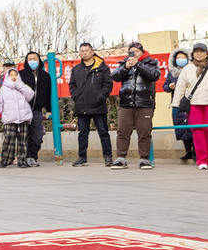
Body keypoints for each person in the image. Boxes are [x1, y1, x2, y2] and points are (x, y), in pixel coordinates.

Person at [171, 43, 208, 169]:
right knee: (197, 132)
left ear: (207, 53)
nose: (199, 54)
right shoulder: (187, 69)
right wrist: (176, 105)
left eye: (202, 51)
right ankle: (202, 160)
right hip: (194, 104)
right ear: (192, 54)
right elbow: (180, 87)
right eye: (196, 51)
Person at [110, 41, 161, 170]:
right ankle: (121, 158)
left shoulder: (151, 63)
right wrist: (126, 67)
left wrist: (138, 64)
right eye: (131, 51)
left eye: (137, 51)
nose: (134, 54)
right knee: (122, 130)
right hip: (126, 102)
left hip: (145, 103)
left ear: (142, 52)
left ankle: (144, 159)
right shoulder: (124, 63)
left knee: (144, 131)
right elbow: (115, 76)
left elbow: (154, 75)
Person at [68, 42, 114, 167]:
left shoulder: (102, 67)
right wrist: (76, 97)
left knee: (103, 132)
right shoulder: (76, 69)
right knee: (82, 133)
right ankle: (82, 157)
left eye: (86, 50)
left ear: (92, 52)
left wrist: (101, 96)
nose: (84, 53)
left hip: (98, 106)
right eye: (81, 51)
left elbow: (108, 84)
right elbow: (72, 85)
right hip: (82, 106)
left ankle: (108, 157)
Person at [0, 63, 35, 168]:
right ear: (8, 77)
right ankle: (6, 159)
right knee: (9, 139)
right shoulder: (3, 89)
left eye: (15, 75)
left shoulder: (22, 87)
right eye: (11, 75)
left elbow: (30, 95)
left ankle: (22, 160)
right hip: (10, 118)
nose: (13, 77)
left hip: (23, 117)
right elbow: (0, 104)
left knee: (22, 140)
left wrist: (19, 85)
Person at [18, 51, 51, 167]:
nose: (32, 61)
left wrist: (48, 109)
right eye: (30, 59)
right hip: (23, 110)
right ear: (26, 61)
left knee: (37, 136)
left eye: (34, 58)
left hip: (37, 110)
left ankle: (33, 156)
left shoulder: (45, 76)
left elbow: (48, 94)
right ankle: (26, 157)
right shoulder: (20, 74)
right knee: (24, 135)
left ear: (39, 60)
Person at [164, 48, 196, 161]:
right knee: (181, 128)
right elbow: (165, 87)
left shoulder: (193, 70)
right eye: (178, 58)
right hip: (177, 104)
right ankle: (188, 151)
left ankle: (196, 151)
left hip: (191, 102)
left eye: (183, 57)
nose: (180, 60)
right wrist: (170, 87)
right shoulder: (171, 72)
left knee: (192, 126)